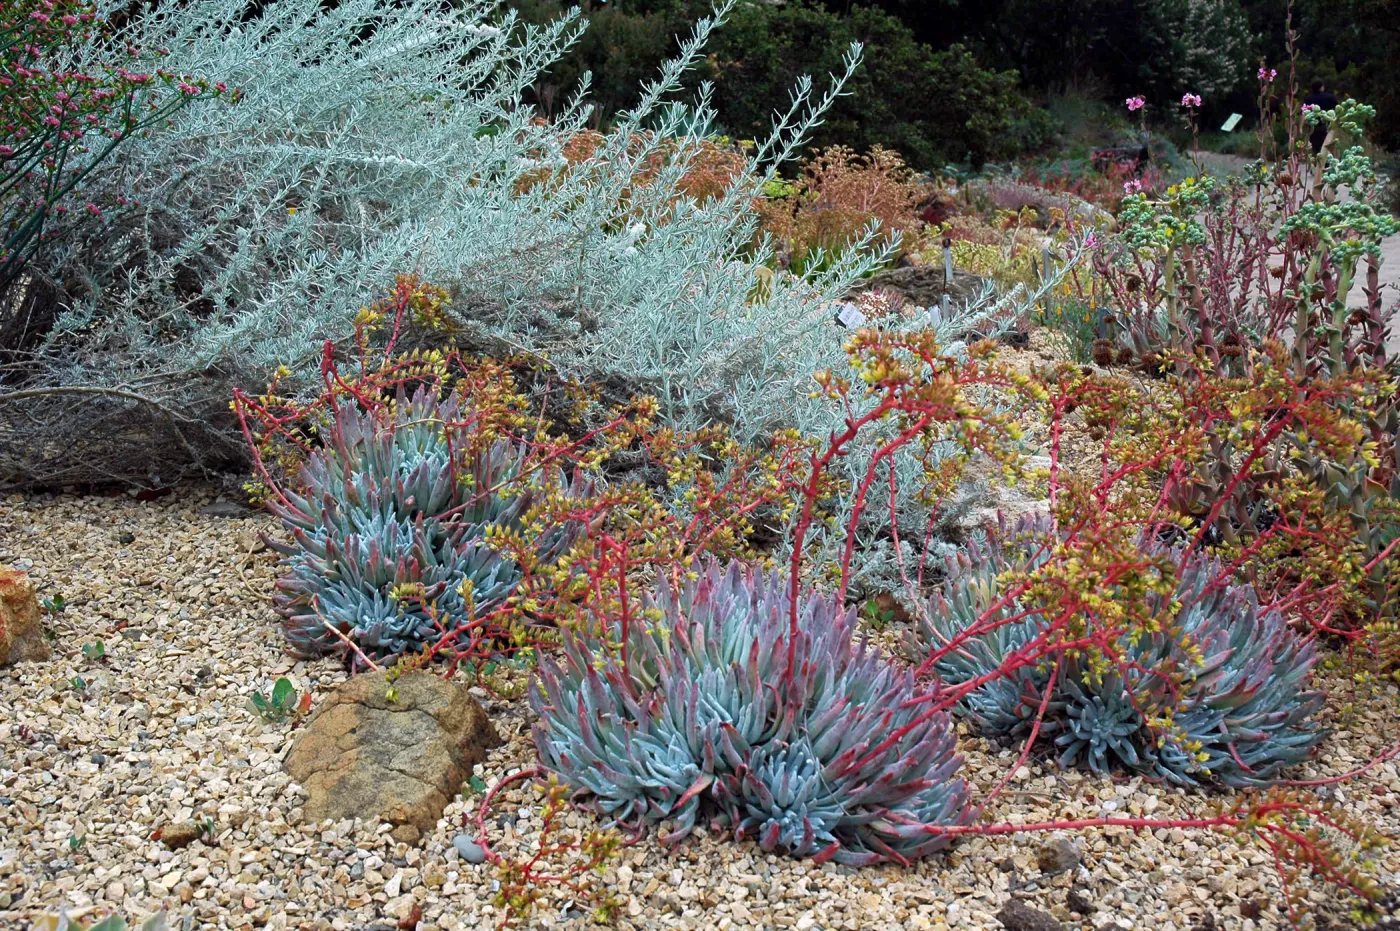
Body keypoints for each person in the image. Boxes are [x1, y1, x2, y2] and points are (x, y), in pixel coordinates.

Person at [1303, 80, 1339, 154]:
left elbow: (1304, 113)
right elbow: (1338, 109)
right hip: (1327, 126)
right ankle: (1327, 163)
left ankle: (1318, 163)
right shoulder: (1330, 97)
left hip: (1313, 128)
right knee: (1328, 147)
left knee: (1316, 149)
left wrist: (1301, 126)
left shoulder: (1308, 99)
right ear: (1321, 87)